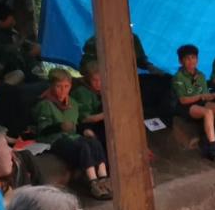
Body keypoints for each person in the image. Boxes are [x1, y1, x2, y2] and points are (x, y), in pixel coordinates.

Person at [33, 69, 112, 200]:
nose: (63, 90)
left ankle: (104, 178)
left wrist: (84, 130)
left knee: (93, 142)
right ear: (51, 86)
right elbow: (43, 130)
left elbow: (78, 123)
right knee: (83, 147)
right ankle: (93, 182)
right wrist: (60, 126)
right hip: (55, 140)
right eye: (58, 86)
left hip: (73, 137)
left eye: (66, 86)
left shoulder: (73, 104)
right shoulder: (45, 104)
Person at [80, 32, 175, 121]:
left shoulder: (131, 37)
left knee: (166, 80)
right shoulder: (95, 41)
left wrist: (149, 66)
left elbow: (140, 59)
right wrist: (100, 77)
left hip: (128, 81)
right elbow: (86, 68)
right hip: (108, 86)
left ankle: (161, 118)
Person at [173, 44, 215, 164]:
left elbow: (205, 96)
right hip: (186, 107)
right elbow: (183, 100)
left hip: (200, 103)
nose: (191, 61)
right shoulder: (178, 77)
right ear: (180, 61)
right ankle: (214, 149)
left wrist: (214, 95)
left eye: (194, 58)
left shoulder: (201, 76)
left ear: (197, 59)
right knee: (208, 112)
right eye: (187, 58)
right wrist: (201, 96)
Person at [0, 3, 40, 84]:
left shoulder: (8, 31)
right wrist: (28, 53)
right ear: (0, 22)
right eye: (10, 19)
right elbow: (8, 52)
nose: (13, 21)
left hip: (19, 68)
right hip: (4, 74)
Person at [71, 58, 106, 149]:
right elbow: (85, 119)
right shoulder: (82, 92)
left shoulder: (104, 91)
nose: (98, 83)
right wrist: (107, 115)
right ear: (88, 79)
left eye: (101, 79)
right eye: (94, 80)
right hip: (85, 127)